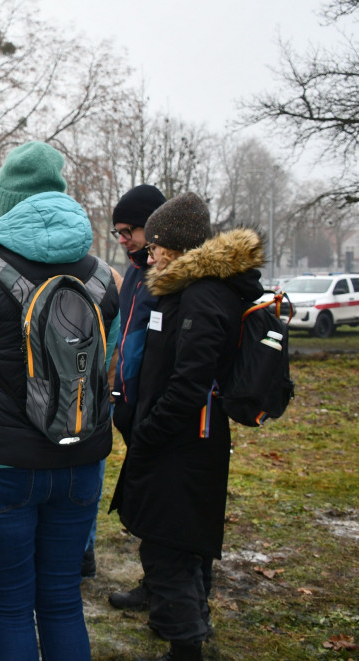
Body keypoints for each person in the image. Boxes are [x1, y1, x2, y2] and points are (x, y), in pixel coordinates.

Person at [0, 141, 120, 660]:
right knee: (63, 600)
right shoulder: (105, 275)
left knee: (11, 606)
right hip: (81, 458)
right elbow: (109, 364)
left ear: (7, 202)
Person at [112, 194, 263, 661]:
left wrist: (151, 429)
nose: (147, 254)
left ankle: (186, 644)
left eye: (154, 245)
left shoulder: (200, 295)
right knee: (181, 540)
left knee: (169, 545)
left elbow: (190, 381)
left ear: (174, 246)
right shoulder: (187, 289)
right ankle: (188, 627)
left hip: (183, 442)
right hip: (182, 440)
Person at [106, 184, 167, 607]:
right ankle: (156, 585)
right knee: (147, 505)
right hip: (129, 403)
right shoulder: (133, 272)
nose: (124, 239)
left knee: (164, 509)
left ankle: (168, 596)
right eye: (119, 232)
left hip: (157, 408)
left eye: (129, 230)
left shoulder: (169, 276)